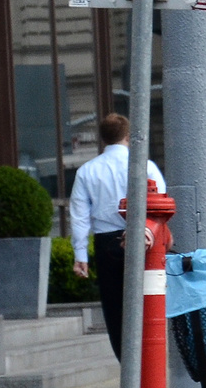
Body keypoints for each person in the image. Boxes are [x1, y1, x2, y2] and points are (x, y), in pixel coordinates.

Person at [69, 114, 166, 360]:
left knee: (115, 309)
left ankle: (128, 363)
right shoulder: (146, 166)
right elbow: (161, 207)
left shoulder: (86, 171)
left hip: (106, 242)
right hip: (144, 238)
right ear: (127, 136)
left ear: (103, 138)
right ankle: (150, 359)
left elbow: (79, 217)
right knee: (149, 302)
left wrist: (81, 255)